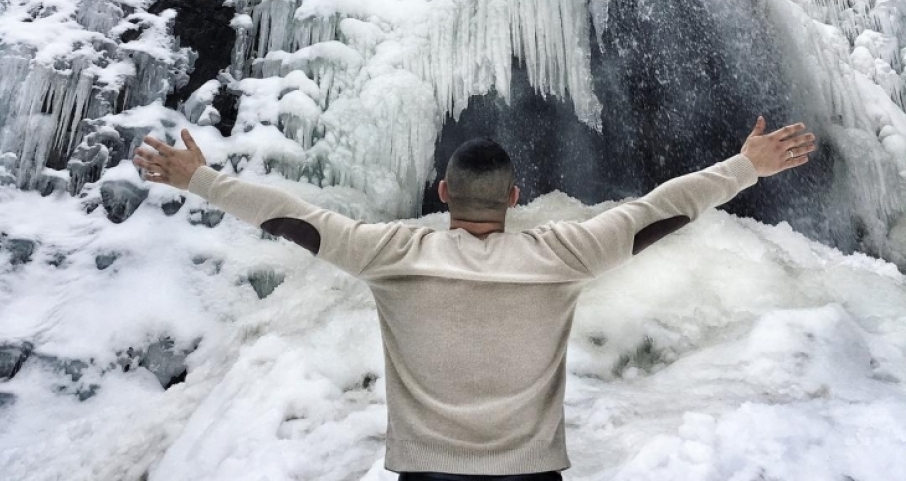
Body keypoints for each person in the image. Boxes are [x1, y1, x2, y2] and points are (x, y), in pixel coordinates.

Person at [134, 115, 815, 481]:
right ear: (516, 200)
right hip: (530, 474)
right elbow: (660, 210)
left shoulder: (393, 255)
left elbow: (292, 217)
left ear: (442, 195)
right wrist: (746, 166)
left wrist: (202, 179)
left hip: (427, 475)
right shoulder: (560, 256)